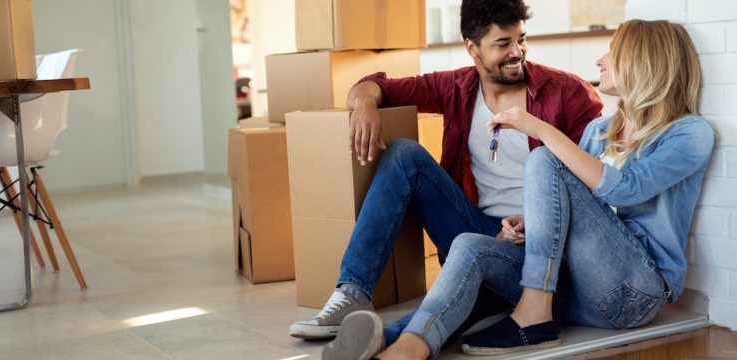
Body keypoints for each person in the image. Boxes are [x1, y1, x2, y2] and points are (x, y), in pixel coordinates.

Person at [325, 18, 715, 359]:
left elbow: (625, 189)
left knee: (545, 158)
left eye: (611, 52)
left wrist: (539, 128)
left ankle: (533, 313)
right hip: (576, 289)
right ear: (472, 49)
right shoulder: (601, 131)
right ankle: (406, 347)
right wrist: (529, 223)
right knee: (469, 246)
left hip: (635, 292)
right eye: (502, 42)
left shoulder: (688, 132)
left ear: (643, 61)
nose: (600, 61)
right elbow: (576, 205)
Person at [288, 0, 603, 342]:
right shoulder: (455, 87)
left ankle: (384, 341)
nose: (517, 52)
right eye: (503, 44)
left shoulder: (568, 94)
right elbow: (376, 85)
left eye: (521, 39)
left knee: (463, 303)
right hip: (475, 232)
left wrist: (533, 225)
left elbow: (591, 189)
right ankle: (353, 292)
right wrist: (364, 103)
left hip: (542, 250)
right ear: (472, 48)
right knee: (403, 154)